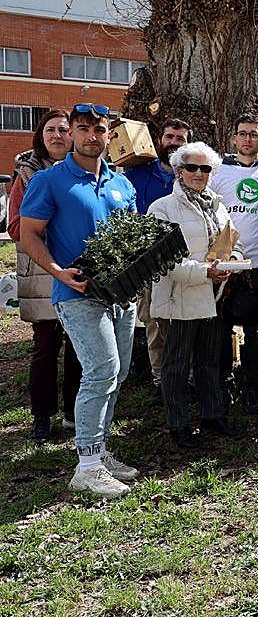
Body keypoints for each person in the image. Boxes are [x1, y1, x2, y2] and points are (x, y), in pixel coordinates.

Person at [20, 103, 139, 498]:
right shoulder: (50, 181)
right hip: (76, 294)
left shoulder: (123, 184)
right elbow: (30, 233)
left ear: (110, 135)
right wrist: (58, 272)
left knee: (117, 374)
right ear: (70, 132)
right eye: (83, 128)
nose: (92, 136)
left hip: (122, 296)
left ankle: (100, 451)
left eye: (99, 129)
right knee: (102, 371)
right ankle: (86, 466)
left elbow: (134, 237)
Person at [147, 142, 244, 448]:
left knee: (209, 361)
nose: (199, 174)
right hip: (180, 299)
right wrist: (206, 271)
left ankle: (212, 416)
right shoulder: (162, 208)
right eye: (192, 167)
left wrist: (233, 261)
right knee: (176, 365)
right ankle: (178, 426)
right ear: (179, 171)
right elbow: (165, 260)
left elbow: (229, 242)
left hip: (214, 297)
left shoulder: (218, 205)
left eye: (206, 168)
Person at [9, 110, 82, 441]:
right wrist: (54, 229)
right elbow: (14, 226)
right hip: (41, 275)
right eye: (50, 130)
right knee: (45, 346)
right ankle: (41, 415)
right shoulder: (26, 174)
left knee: (80, 348)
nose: (57, 135)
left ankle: (73, 413)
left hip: (79, 268)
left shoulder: (82, 171)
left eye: (63, 130)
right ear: (41, 135)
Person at [211, 115, 258, 415]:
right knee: (222, 327)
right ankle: (225, 385)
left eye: (254, 134)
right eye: (243, 134)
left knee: (254, 330)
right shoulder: (218, 171)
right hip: (224, 262)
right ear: (234, 138)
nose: (248, 139)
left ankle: (252, 388)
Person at [126, 118, 192, 401]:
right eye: (170, 136)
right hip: (148, 264)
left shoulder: (193, 175)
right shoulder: (137, 175)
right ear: (160, 140)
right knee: (154, 324)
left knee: (187, 324)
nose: (174, 142)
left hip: (186, 262)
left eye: (180, 138)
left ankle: (185, 379)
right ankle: (160, 381)